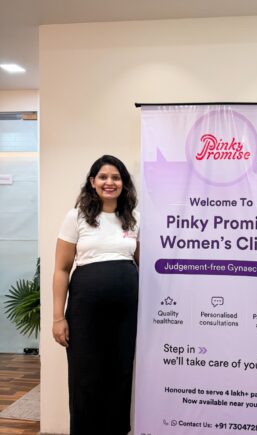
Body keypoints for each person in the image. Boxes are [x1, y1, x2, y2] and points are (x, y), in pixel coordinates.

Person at [52, 155, 140, 435]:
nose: (109, 182)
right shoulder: (76, 216)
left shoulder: (134, 218)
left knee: (120, 373)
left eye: (116, 177)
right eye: (103, 177)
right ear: (92, 182)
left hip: (126, 313)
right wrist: (58, 318)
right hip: (85, 311)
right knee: (85, 376)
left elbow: (142, 263)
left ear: (124, 183)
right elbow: (61, 269)